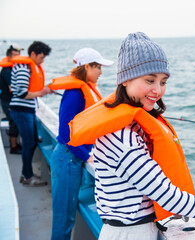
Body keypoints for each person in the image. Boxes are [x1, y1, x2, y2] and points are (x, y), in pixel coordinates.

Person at [68, 32, 195, 240]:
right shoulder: (121, 137)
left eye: (163, 82)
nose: (157, 90)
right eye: (150, 80)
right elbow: (166, 195)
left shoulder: (133, 124)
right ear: (125, 80)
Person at [47, 48, 113, 240]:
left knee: (66, 216)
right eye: (98, 67)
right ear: (87, 67)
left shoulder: (83, 88)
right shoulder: (75, 93)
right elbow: (66, 133)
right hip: (67, 158)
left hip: (71, 159)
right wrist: (86, 156)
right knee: (64, 219)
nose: (101, 71)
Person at [9, 41, 52, 186]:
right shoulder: (23, 68)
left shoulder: (30, 66)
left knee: (32, 142)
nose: (42, 61)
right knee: (28, 143)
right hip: (21, 110)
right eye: (41, 57)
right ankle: (28, 177)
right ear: (33, 54)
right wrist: (43, 92)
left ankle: (25, 174)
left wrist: (45, 90)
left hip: (28, 110)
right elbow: (21, 94)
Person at [0, 44, 23, 154]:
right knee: (13, 123)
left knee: (15, 123)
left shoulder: (13, 68)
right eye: (14, 56)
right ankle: (13, 147)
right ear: (8, 57)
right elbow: (11, 88)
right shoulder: (7, 71)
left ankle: (16, 145)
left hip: (11, 101)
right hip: (7, 102)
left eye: (18, 55)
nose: (17, 58)